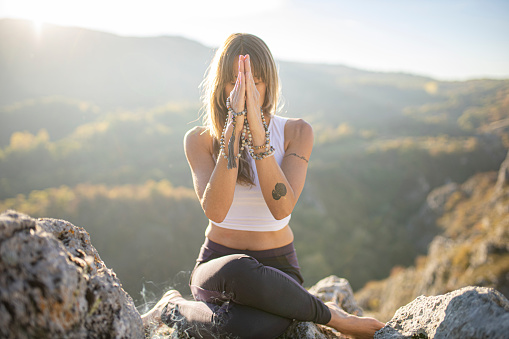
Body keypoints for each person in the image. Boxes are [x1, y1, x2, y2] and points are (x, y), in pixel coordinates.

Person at [142, 33, 384, 339]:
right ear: (221, 87)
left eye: (255, 81)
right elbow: (216, 211)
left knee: (253, 329)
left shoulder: (297, 132)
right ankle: (332, 316)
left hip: (278, 268)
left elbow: (281, 208)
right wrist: (235, 126)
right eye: (234, 81)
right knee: (240, 270)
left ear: (268, 83)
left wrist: (258, 135)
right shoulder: (200, 139)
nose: (246, 91)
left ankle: (173, 309)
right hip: (218, 266)